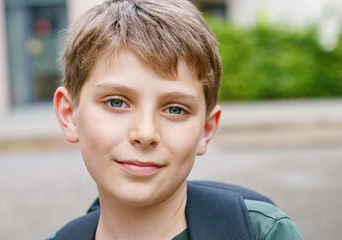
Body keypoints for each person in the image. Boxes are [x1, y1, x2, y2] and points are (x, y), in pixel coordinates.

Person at [48, 0, 302, 239]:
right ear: (69, 114)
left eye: (175, 109)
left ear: (206, 129)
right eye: (116, 103)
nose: (146, 133)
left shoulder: (263, 233)